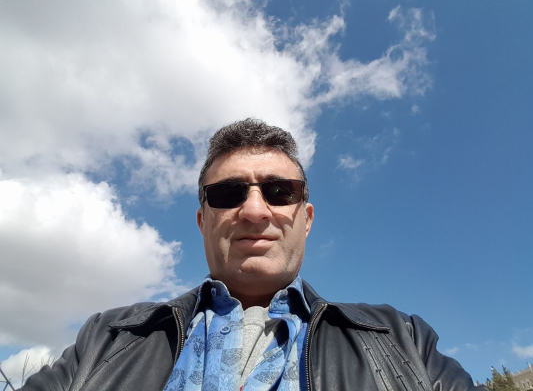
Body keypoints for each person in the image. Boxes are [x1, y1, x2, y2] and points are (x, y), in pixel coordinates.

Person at [20, 119, 485, 390]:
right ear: (203, 221)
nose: (255, 210)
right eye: (228, 194)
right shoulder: (107, 338)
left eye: (280, 192)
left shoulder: (403, 340)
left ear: (306, 218)